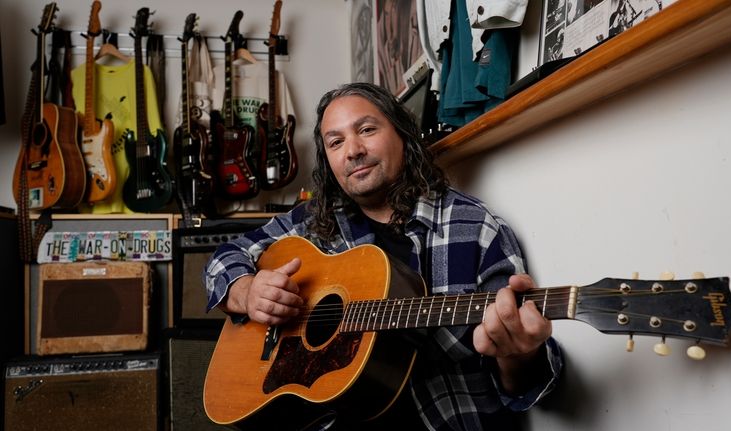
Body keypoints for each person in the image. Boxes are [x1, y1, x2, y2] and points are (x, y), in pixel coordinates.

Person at [204, 82, 562, 430]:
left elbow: (522, 384)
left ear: (402, 134)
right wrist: (247, 290)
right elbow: (224, 257)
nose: (353, 150)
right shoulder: (310, 224)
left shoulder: (474, 228)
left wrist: (520, 355)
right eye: (336, 142)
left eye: (367, 129)